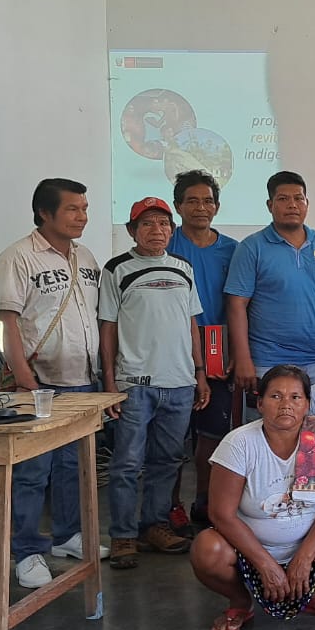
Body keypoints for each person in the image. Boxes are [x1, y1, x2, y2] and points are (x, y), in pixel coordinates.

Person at [189, 366, 315, 630]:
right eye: (276, 396)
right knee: (206, 549)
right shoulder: (240, 443)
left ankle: (314, 592)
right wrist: (265, 564)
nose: (286, 404)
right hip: (251, 550)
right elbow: (221, 514)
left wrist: (305, 556)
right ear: (259, 403)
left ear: (307, 404)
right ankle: (240, 602)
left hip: (311, 546)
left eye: (296, 397)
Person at [0, 177, 108, 588]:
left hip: (82, 380)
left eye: (85, 208)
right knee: (31, 471)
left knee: (73, 467)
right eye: (73, 209)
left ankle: (67, 536)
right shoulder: (18, 258)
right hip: (38, 383)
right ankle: (25, 552)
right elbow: (6, 321)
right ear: (45, 212)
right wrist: (23, 377)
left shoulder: (86, 257)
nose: (82, 216)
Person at [98, 197, 208, 568]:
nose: (156, 230)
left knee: (167, 461)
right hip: (134, 384)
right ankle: (123, 536)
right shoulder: (116, 269)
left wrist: (199, 372)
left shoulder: (183, 267)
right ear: (132, 231)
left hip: (179, 383)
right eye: (146, 224)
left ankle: (154, 526)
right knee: (127, 463)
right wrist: (110, 381)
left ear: (172, 230)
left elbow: (192, 323)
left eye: (163, 223)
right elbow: (108, 328)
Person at [225, 171, 315, 395]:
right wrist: (243, 358)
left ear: (307, 203)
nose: (292, 205)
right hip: (268, 361)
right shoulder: (252, 247)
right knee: (272, 426)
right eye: (283, 199)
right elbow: (236, 304)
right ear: (269, 204)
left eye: (298, 198)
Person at [166, 169, 239, 530]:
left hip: (217, 350)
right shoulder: (165, 244)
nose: (200, 207)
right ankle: (170, 507)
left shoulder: (232, 250)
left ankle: (204, 503)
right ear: (178, 206)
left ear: (218, 206)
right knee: (172, 439)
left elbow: (242, 304)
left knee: (212, 436)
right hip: (172, 352)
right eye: (192, 200)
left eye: (208, 200)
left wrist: (235, 352)